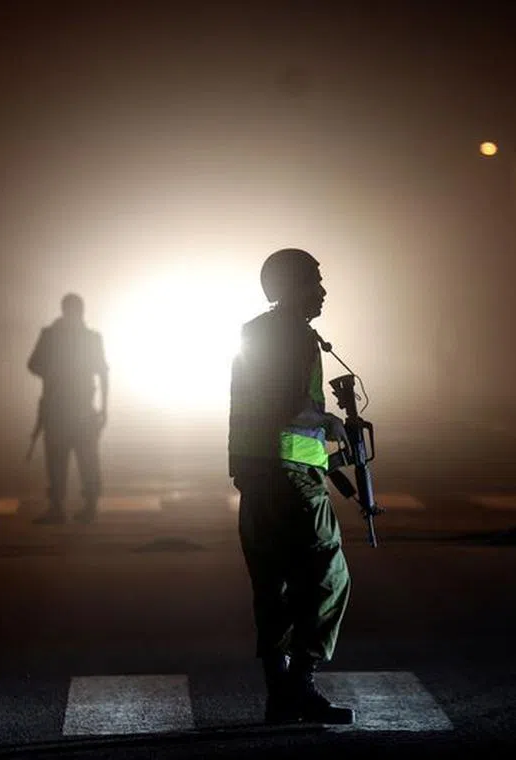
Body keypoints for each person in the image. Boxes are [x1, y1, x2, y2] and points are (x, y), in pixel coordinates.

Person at [228, 248, 355, 725]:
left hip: (256, 480)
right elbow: (290, 412)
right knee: (327, 576)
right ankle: (300, 683)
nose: (322, 291)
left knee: (270, 584)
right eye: (313, 282)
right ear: (291, 287)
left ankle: (278, 695)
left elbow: (262, 411)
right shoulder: (298, 340)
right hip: (293, 482)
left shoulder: (253, 334)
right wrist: (332, 425)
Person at [27, 293, 108, 525]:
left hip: (63, 409)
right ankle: (80, 507)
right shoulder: (88, 338)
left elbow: (33, 365)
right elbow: (102, 374)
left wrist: (52, 373)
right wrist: (104, 408)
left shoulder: (52, 336)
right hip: (74, 408)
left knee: (64, 460)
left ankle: (61, 507)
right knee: (81, 460)